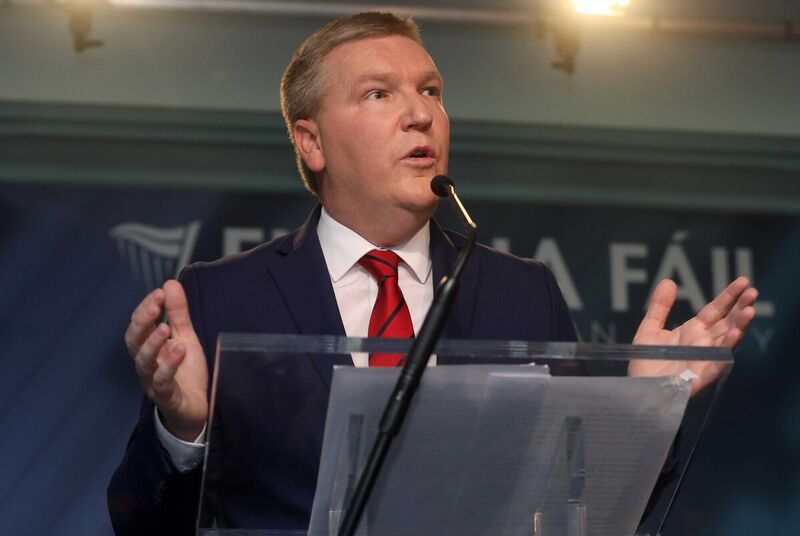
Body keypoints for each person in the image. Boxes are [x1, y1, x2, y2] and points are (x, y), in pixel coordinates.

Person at [107, 11, 758, 535]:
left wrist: (646, 406)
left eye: (431, 92)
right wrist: (183, 431)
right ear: (312, 142)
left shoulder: (520, 292)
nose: (420, 113)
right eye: (378, 93)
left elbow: (579, 509)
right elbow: (140, 521)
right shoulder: (222, 295)